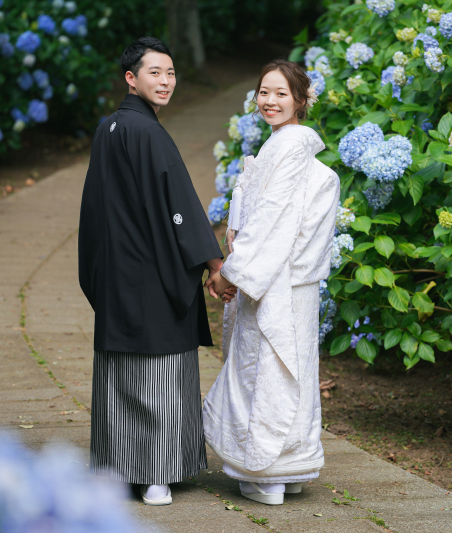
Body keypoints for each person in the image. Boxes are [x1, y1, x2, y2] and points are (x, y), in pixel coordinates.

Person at [78, 37, 226, 506]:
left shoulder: (109, 129)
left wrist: (97, 274)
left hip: (116, 273)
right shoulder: (148, 133)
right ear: (131, 78)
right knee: (159, 374)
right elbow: (178, 204)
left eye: (171, 73)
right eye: (155, 73)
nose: (165, 82)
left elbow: (93, 211)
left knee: (121, 377)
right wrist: (213, 262)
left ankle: (118, 469)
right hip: (152, 272)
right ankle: (157, 474)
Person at [203, 59, 340, 506]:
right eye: (264, 92)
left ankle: (265, 472)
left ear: (301, 100)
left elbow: (270, 220)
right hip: (291, 282)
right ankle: (291, 467)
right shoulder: (289, 148)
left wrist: (233, 273)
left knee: (267, 372)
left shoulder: (289, 148)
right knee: (290, 370)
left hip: (275, 281)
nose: (270, 101)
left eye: (281, 93)